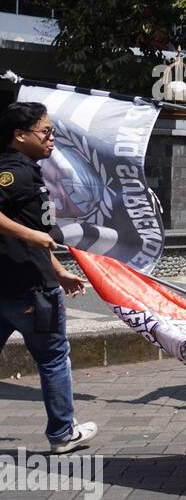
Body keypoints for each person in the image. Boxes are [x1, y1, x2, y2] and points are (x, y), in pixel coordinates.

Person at [0, 102, 95, 453]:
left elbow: (36, 231)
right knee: (54, 359)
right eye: (45, 132)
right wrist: (32, 237)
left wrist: (58, 270)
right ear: (20, 135)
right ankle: (62, 434)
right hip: (31, 291)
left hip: (27, 280)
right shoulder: (15, 173)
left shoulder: (27, 171)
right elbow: (32, 234)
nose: (52, 138)